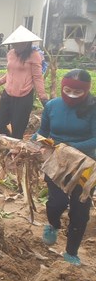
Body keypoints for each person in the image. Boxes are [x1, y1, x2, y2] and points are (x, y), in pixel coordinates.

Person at [34, 69, 96, 266]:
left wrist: (70, 149)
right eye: (67, 90)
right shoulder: (52, 106)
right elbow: (43, 132)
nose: (71, 95)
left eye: (77, 92)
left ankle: (71, 252)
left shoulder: (93, 108)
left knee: (80, 209)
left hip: (84, 165)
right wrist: (33, 142)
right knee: (56, 202)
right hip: (56, 163)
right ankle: (53, 224)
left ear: (87, 91)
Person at [0, 25, 49, 139]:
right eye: (14, 43)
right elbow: (10, 72)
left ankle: (14, 150)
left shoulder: (34, 56)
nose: (15, 46)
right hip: (7, 94)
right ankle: (9, 143)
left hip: (24, 97)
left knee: (18, 129)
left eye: (18, 43)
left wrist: (43, 97)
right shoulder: (11, 54)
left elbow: (37, 77)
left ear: (26, 43)